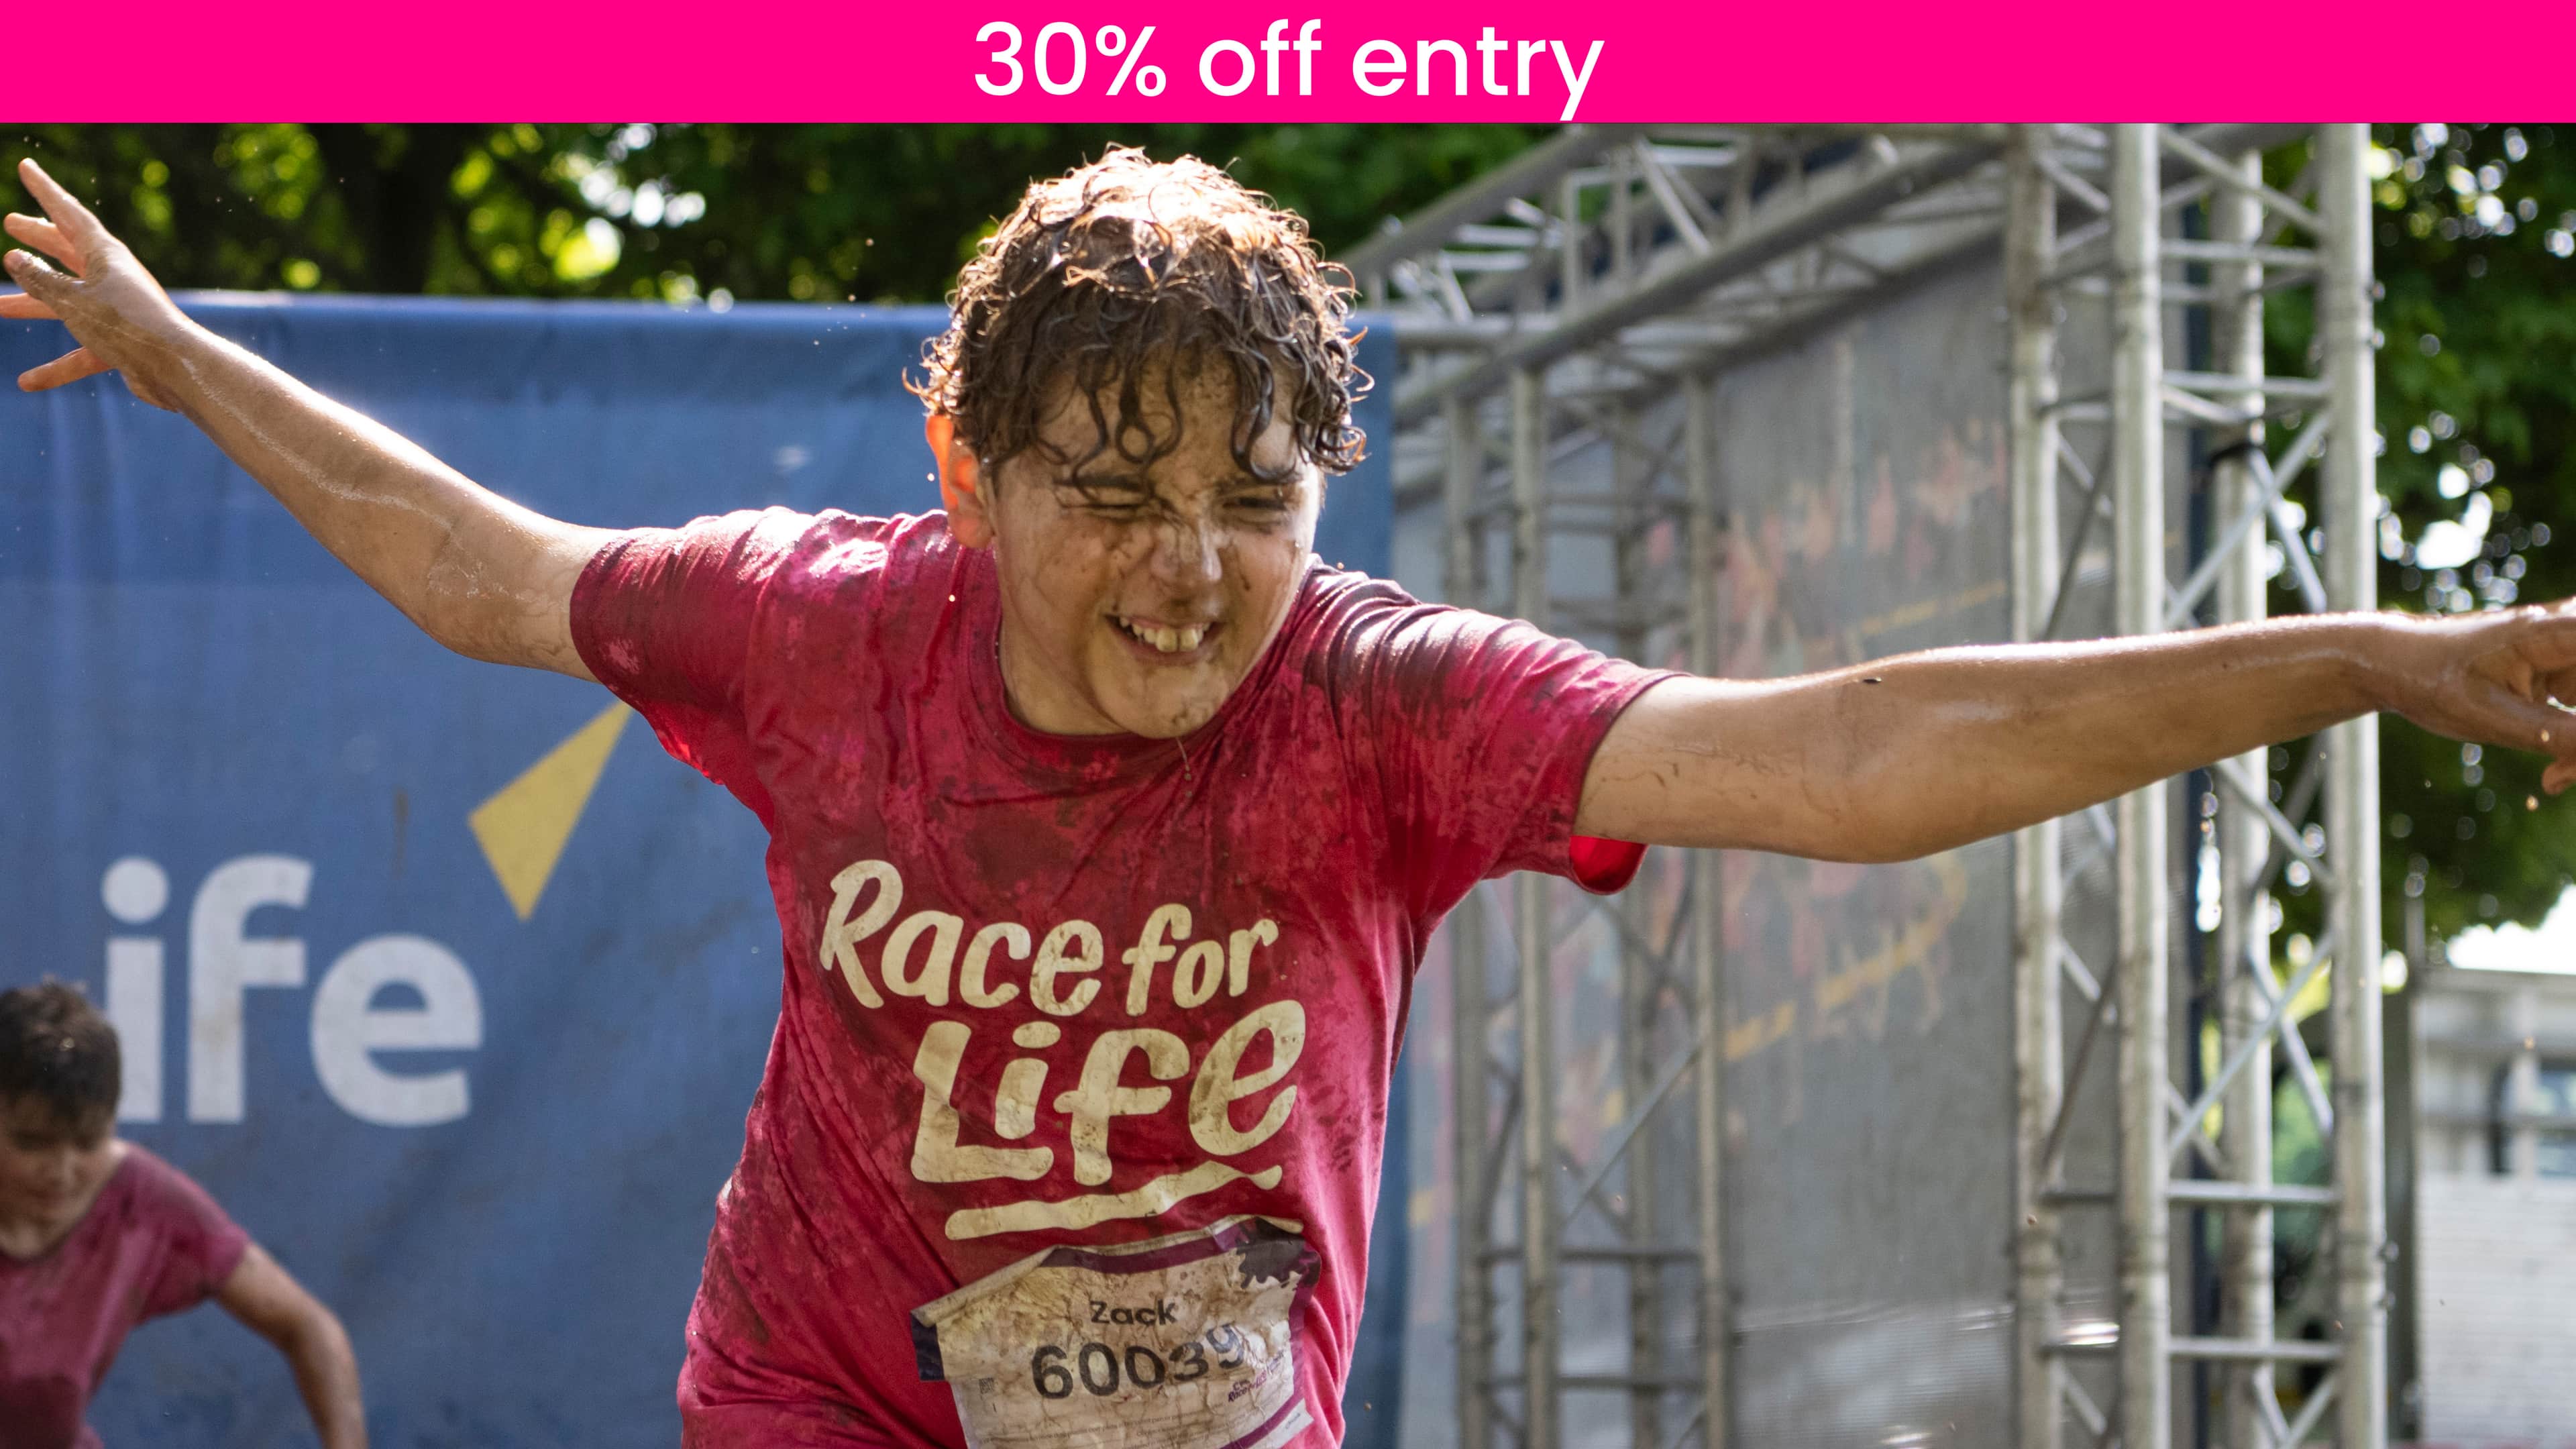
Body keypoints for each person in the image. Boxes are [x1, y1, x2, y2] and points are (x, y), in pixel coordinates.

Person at [4, 147, 2571, 1449]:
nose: (1187, 573)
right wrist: (177, 347)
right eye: (1114, 492)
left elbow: (1856, 745)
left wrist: (2358, 648)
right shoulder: (813, 625)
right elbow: (486, 570)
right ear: (971, 478)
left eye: (1256, 499)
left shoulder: (1383, 704)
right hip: (817, 1389)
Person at [0, 981, 367, 1449]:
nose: (62, 1171)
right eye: (31, 1143)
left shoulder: (140, 1204)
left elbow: (309, 1326)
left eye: (88, 1141)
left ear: (112, 1122)